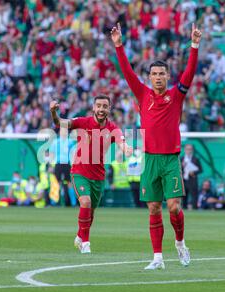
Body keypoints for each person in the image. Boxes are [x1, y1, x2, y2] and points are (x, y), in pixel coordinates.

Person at [112, 22, 201, 269]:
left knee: (173, 206)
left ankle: (181, 244)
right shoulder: (142, 94)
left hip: (171, 159)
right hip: (149, 159)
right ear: (149, 77)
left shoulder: (177, 95)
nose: (158, 77)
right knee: (153, 208)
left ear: (167, 77)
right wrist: (119, 45)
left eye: (162, 74)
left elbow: (190, 72)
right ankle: (158, 258)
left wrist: (194, 45)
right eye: (154, 74)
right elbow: (128, 72)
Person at [50, 95, 133, 254]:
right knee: (86, 202)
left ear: (109, 109)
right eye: (99, 106)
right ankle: (86, 244)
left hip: (98, 176)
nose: (101, 109)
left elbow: (121, 141)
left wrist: (126, 148)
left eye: (105, 106)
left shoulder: (112, 128)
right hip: (79, 171)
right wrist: (54, 113)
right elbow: (59, 123)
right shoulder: (82, 122)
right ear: (93, 108)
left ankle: (80, 235)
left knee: (91, 211)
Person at [181, 144, 202, 210]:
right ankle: (184, 209)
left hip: (192, 180)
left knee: (194, 196)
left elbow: (200, 170)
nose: (189, 151)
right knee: (184, 196)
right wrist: (182, 166)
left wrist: (194, 172)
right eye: (187, 149)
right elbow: (178, 170)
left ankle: (194, 209)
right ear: (184, 150)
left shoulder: (195, 159)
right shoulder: (181, 159)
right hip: (184, 180)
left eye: (190, 149)